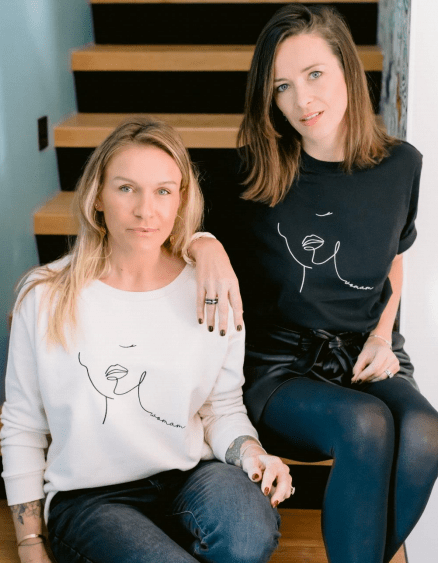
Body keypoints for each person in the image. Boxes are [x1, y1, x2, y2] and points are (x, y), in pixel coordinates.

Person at [186, 5, 438, 563]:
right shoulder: (250, 173)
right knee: (366, 425)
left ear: (347, 68)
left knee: (424, 432)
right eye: (282, 87)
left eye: (315, 74)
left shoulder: (402, 166)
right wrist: (204, 243)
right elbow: (166, 219)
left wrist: (382, 335)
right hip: (280, 369)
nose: (302, 100)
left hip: (363, 353)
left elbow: (394, 257)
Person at [0, 117, 293, 563]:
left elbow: (221, 408)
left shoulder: (212, 288)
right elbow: (23, 425)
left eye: (163, 191)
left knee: (247, 536)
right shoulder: (45, 296)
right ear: (97, 197)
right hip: (90, 498)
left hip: (190, 476)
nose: (145, 210)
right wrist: (29, 542)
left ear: (181, 199)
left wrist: (252, 453)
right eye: (126, 189)